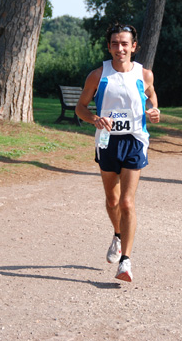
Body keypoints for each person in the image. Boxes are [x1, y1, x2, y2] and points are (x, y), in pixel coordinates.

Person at [75, 23, 160, 283]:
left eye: (125, 43)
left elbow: (151, 97)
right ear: (109, 46)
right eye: (115, 43)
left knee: (126, 202)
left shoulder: (144, 74)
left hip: (135, 140)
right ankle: (118, 234)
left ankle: (125, 262)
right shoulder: (98, 74)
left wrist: (154, 110)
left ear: (134, 47)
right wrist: (94, 119)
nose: (119, 48)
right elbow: (80, 107)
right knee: (112, 201)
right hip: (107, 142)